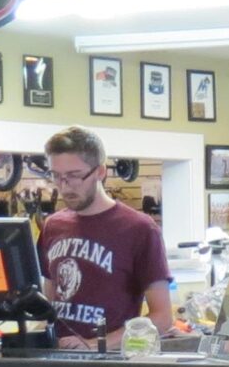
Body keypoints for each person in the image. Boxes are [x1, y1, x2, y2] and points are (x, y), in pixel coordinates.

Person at [40, 126, 175, 349]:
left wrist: (95, 344)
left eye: (74, 176)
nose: (65, 187)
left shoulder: (140, 229)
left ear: (100, 172)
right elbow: (51, 303)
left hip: (108, 365)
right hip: (60, 361)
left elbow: (162, 319)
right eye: (57, 176)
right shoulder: (53, 226)